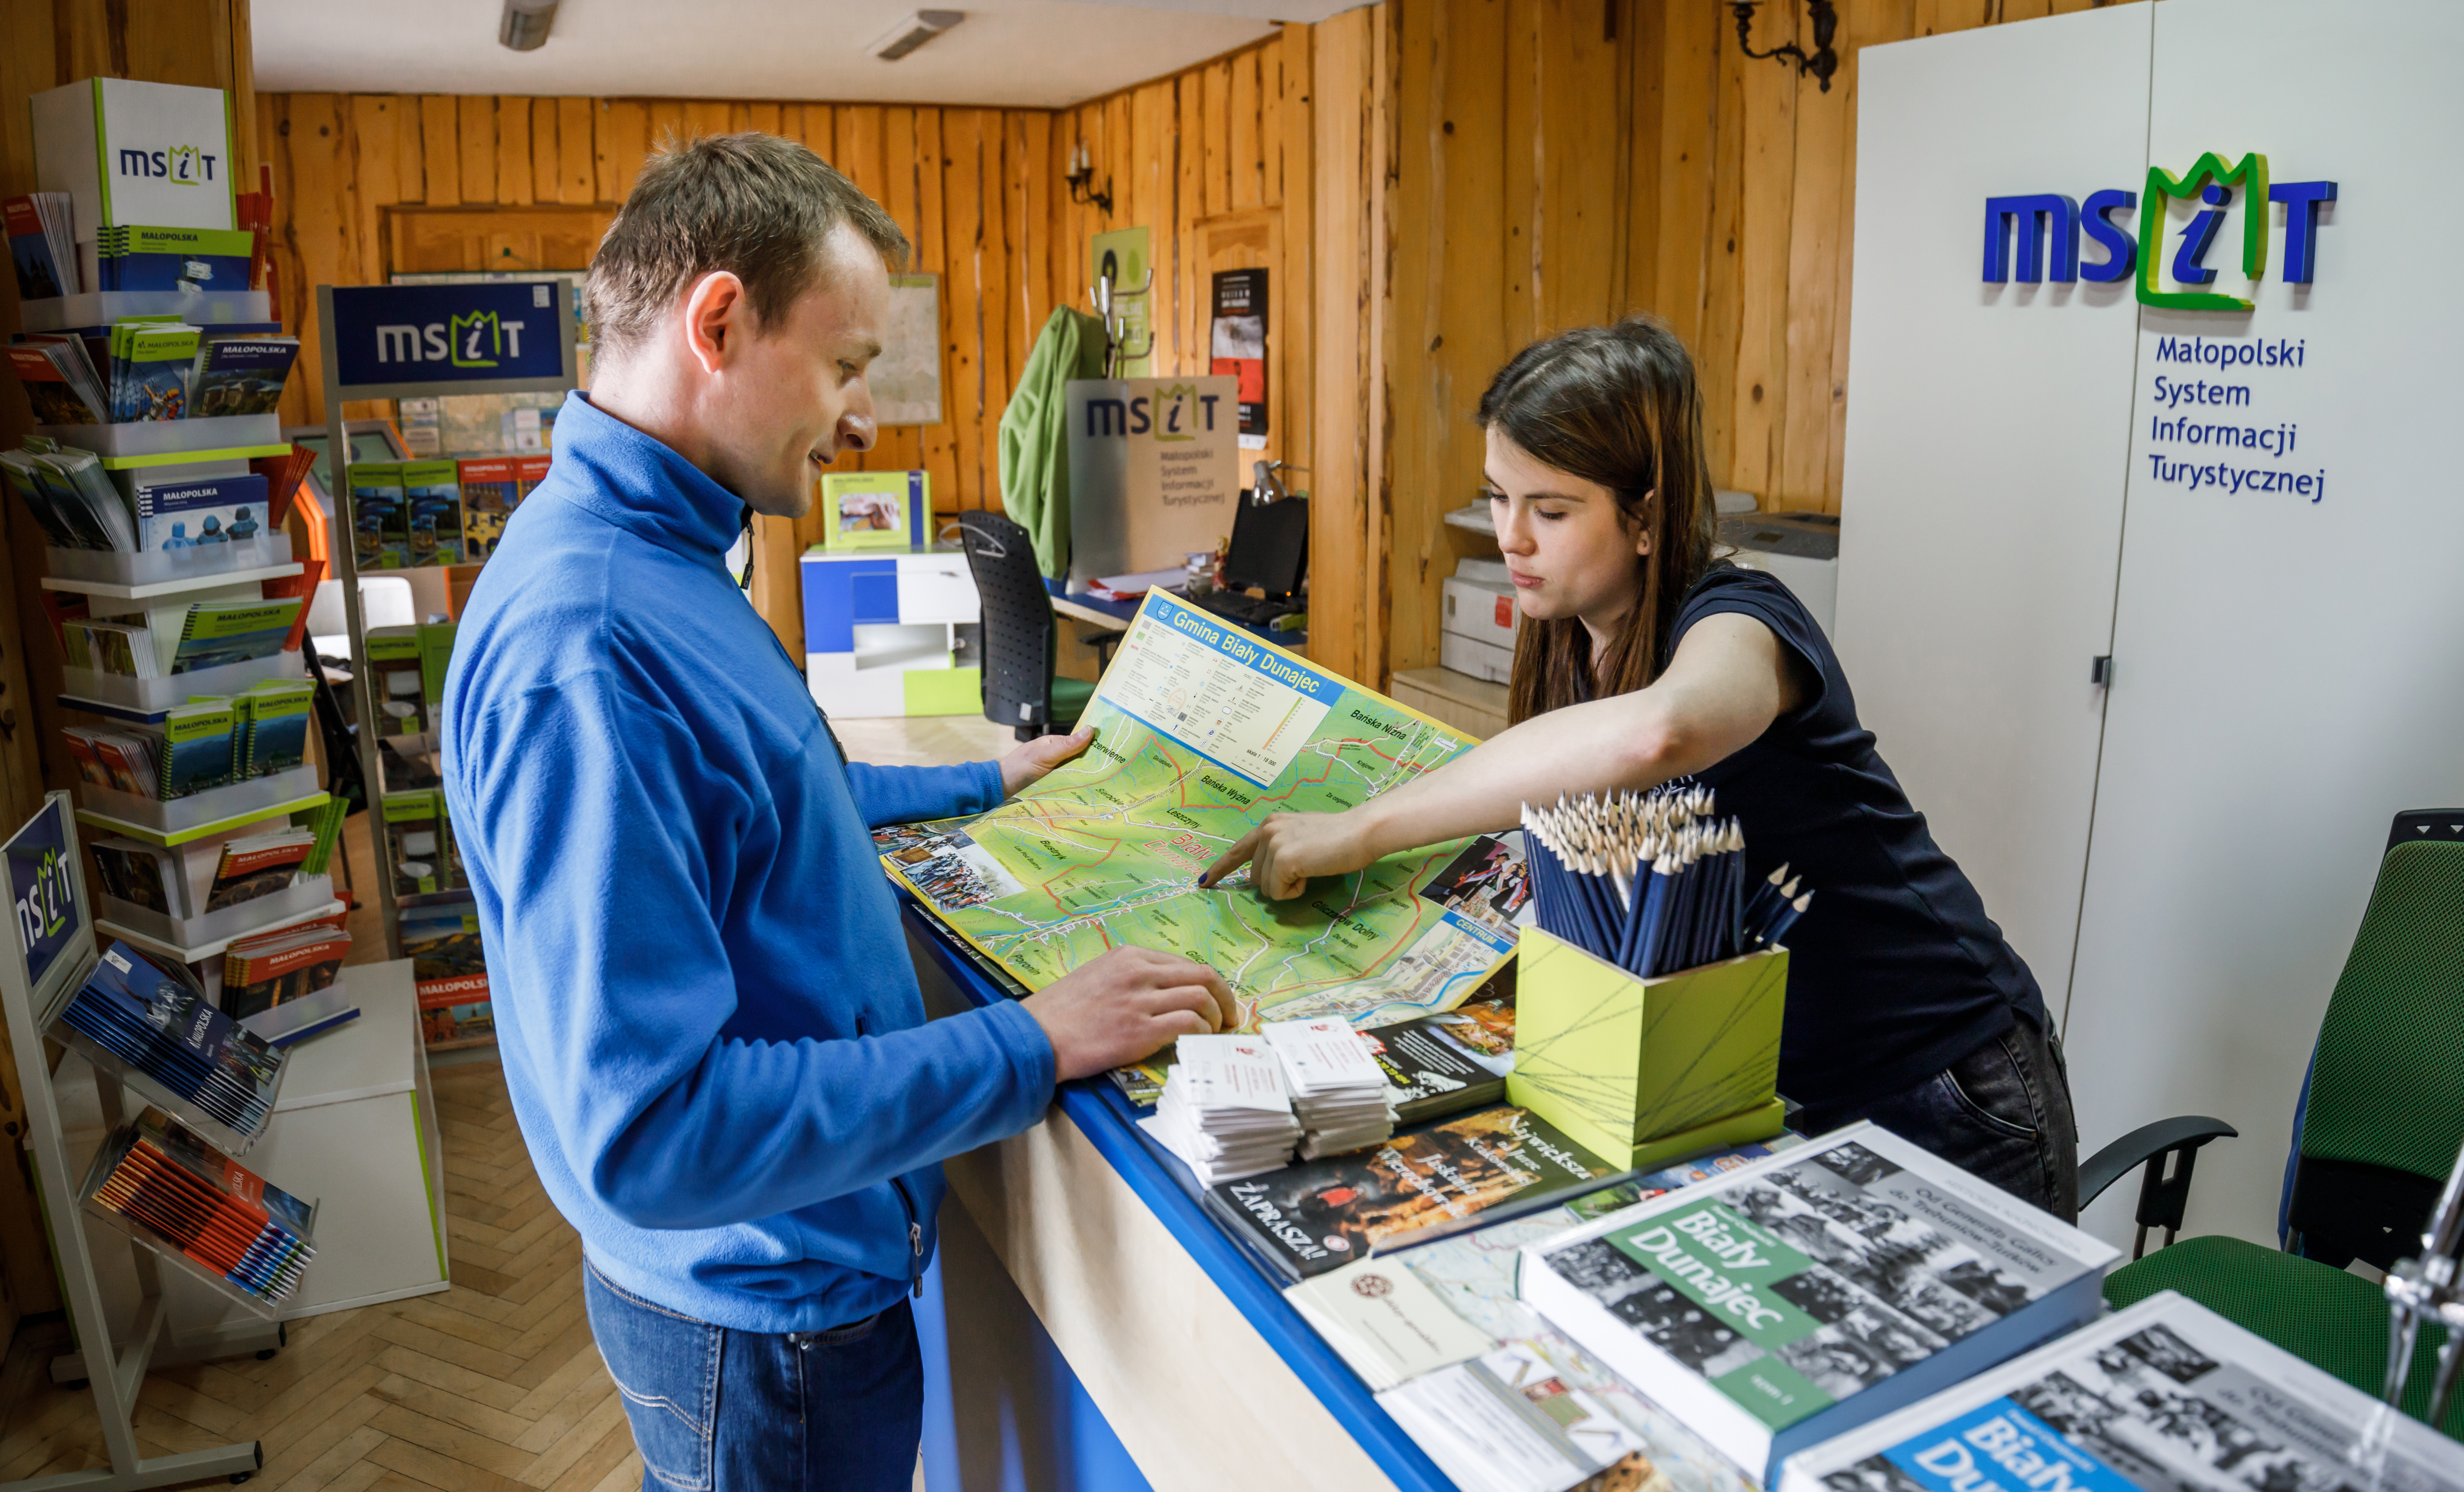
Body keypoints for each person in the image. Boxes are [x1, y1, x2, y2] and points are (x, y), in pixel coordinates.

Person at [442, 134, 1235, 1492]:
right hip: (764, 1335)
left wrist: (982, 780)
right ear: (717, 323)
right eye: (848, 364)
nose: (864, 417)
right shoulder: (592, 643)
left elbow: (760, 803)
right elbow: (652, 1131)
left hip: (780, 1298)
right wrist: (1029, 1044)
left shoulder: (661, 552)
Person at [1203, 318, 2079, 1219]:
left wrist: (1363, 827)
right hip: (1760, 1081)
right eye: (1497, 497)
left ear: (1649, 516)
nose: (1511, 537)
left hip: (1939, 1075)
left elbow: (1662, 731)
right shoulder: (1566, 644)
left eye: (1550, 510)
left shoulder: (1743, 619)